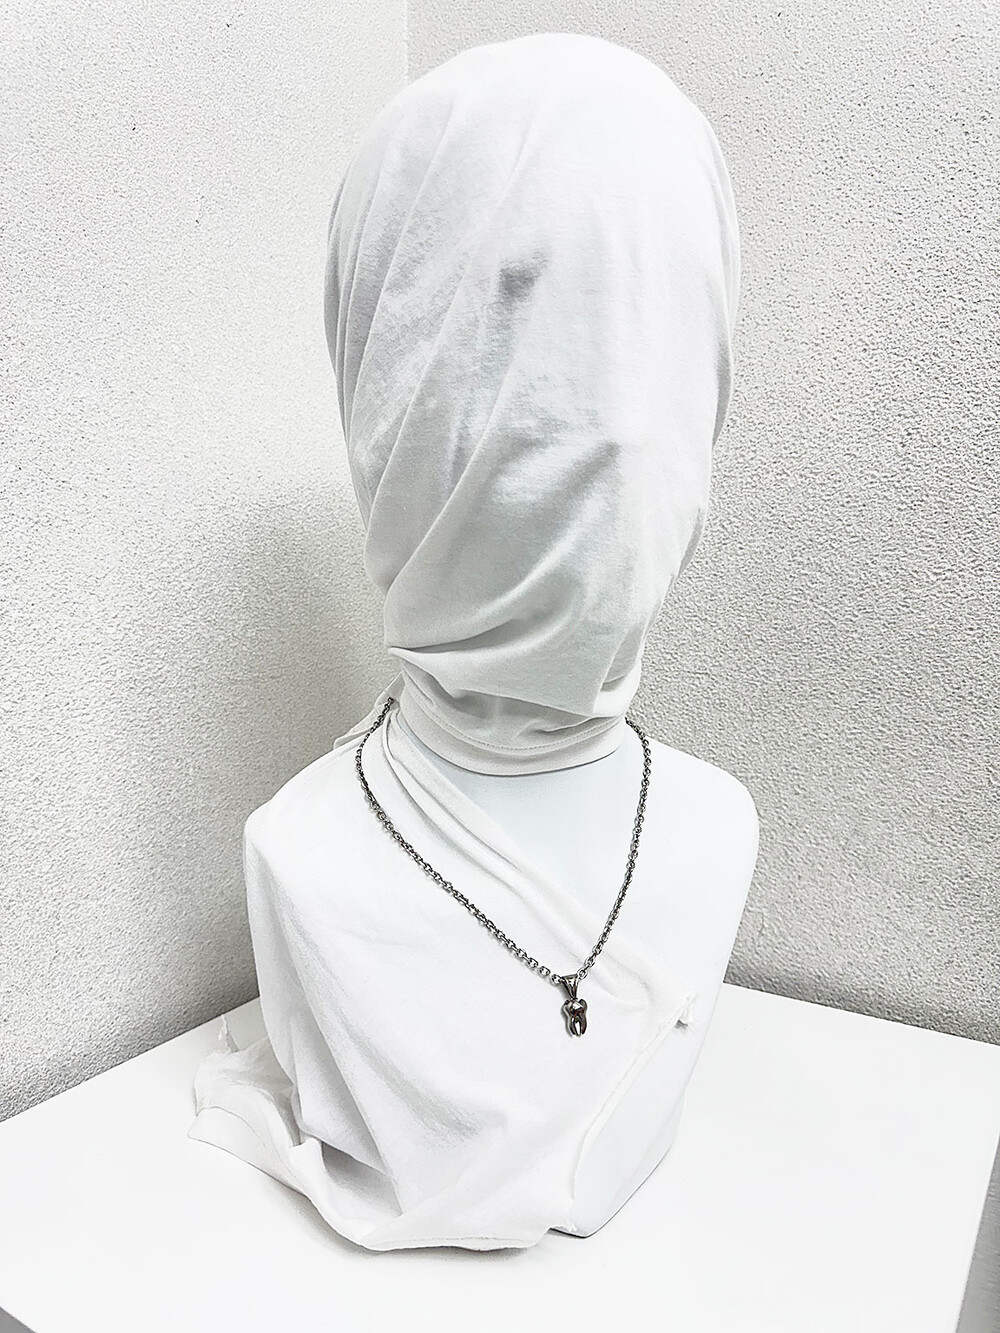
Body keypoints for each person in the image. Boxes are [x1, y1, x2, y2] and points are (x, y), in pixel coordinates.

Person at [188, 30, 758, 1252]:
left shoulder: (714, 826)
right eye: (518, 332)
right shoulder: (303, 858)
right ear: (385, 381)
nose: (611, 429)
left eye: (650, 326)